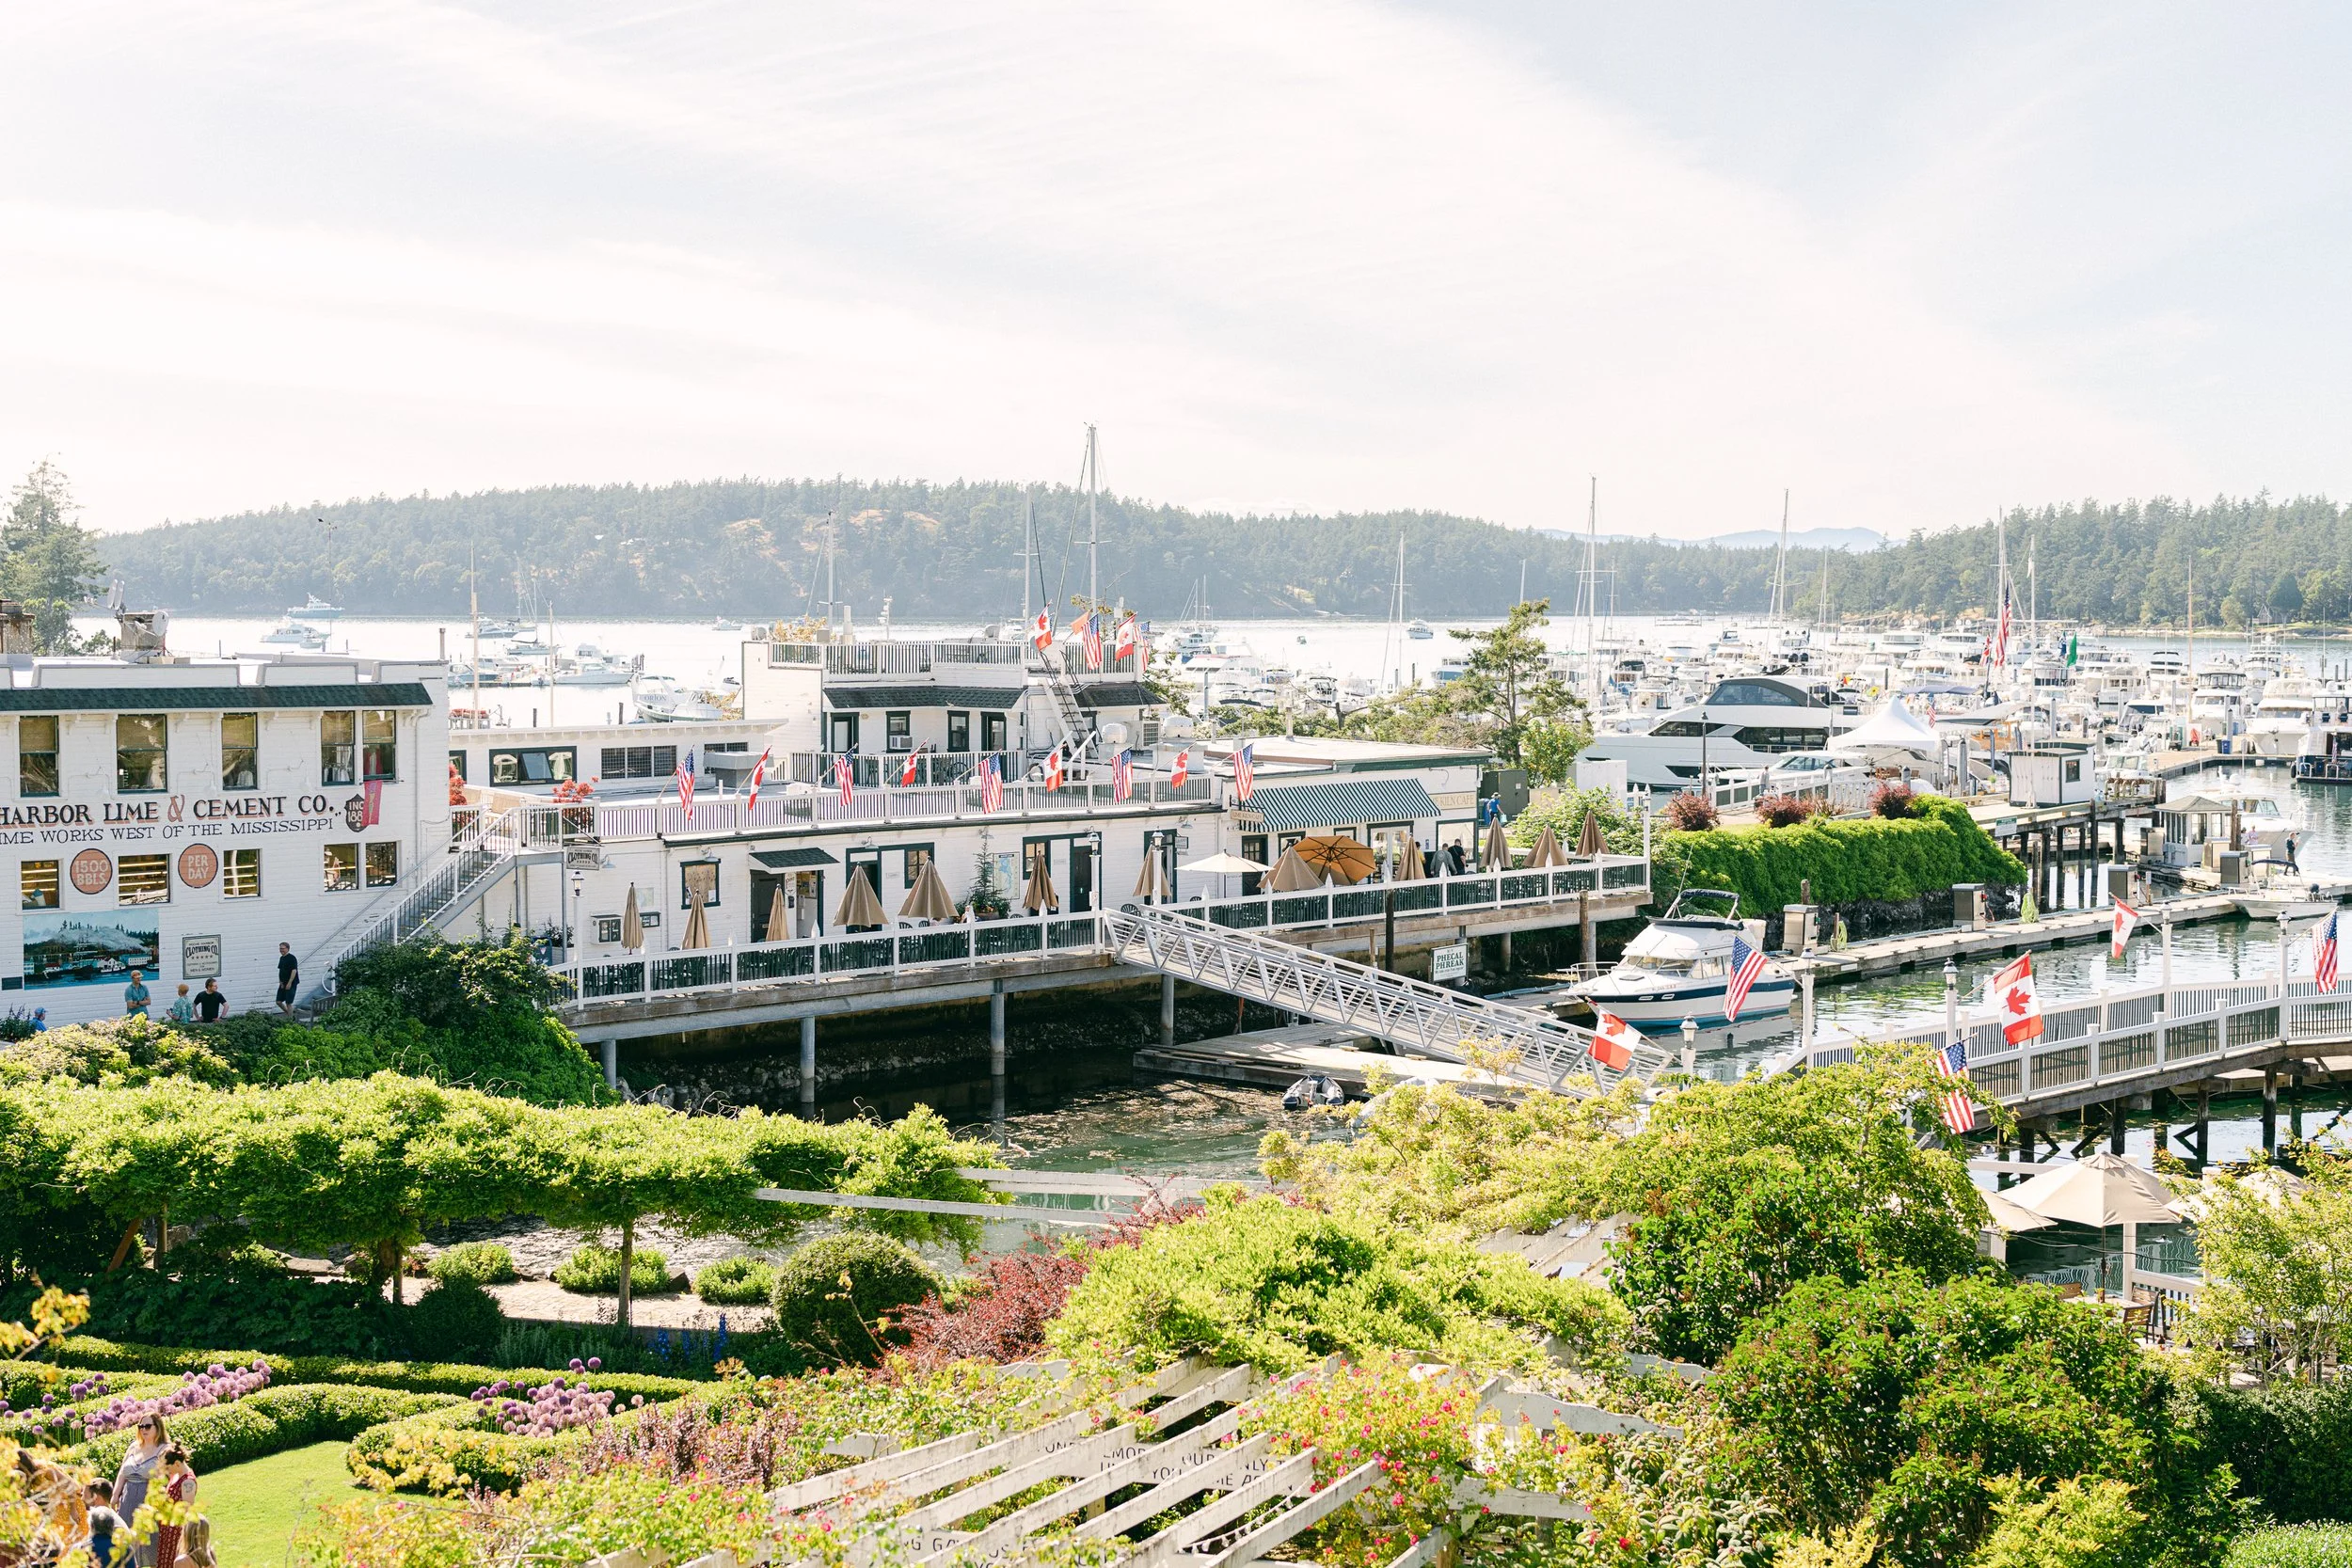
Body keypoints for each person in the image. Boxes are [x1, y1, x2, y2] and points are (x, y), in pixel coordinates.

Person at [112, 1416, 167, 1563]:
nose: (143, 1430)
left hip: (149, 1502)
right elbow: (122, 1473)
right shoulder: (133, 1447)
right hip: (127, 1500)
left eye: (147, 1426)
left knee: (151, 1547)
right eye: (140, 1427)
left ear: (158, 1427)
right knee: (128, 1546)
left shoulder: (164, 1450)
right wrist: (115, 1495)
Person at [151, 1445, 193, 1568]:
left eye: (168, 1468)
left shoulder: (187, 1482)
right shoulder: (175, 1476)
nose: (166, 1471)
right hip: (167, 1530)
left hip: (177, 1533)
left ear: (177, 1464)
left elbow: (187, 1510)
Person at [86, 1480, 126, 1566]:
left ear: (96, 1497)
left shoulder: (98, 1519)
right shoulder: (112, 1516)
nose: (82, 1498)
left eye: (85, 1495)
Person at [274, 944, 298, 1016]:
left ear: (287, 949)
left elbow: (294, 971)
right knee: (278, 1001)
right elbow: (280, 970)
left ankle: (290, 1020)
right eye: (280, 949)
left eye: (283, 949)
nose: (281, 950)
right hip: (283, 982)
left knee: (288, 1002)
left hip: (291, 983)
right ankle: (289, 1014)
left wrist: (289, 982)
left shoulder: (292, 958)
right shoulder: (281, 958)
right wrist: (280, 982)